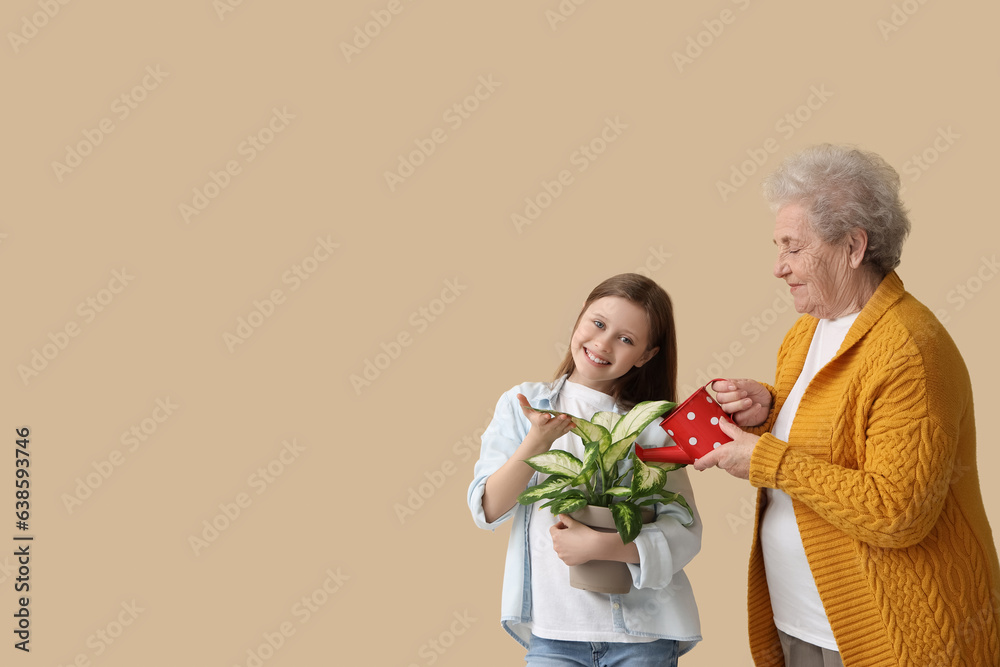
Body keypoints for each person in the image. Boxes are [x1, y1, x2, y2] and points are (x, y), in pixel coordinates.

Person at [694, 144, 1000, 666]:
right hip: (803, 623)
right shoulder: (806, 332)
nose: (778, 267)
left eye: (793, 247)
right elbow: (842, 434)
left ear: (854, 246)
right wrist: (771, 409)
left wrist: (765, 458)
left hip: (891, 636)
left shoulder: (911, 348)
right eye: (777, 247)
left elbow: (897, 511)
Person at [468, 273, 701, 666]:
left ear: (645, 356)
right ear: (579, 318)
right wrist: (536, 442)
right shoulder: (523, 403)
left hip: (644, 636)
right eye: (598, 323)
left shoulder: (651, 426)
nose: (603, 343)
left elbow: (685, 529)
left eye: (626, 339)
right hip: (552, 634)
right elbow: (487, 509)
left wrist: (607, 546)